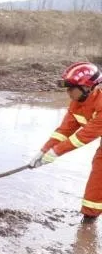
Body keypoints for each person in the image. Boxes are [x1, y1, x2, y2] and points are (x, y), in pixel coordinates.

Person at [30, 62, 102, 225]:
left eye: (71, 88)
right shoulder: (77, 104)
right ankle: (89, 221)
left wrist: (55, 153)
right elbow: (64, 130)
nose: (68, 92)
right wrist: (43, 151)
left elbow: (82, 137)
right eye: (67, 88)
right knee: (98, 174)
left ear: (88, 88)